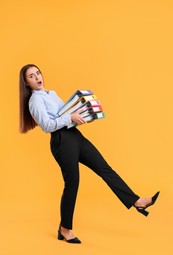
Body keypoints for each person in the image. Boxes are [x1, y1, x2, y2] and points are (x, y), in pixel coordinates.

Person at [19, 64, 160, 244]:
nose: (37, 77)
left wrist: (83, 114)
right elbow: (47, 126)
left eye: (38, 73)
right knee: (73, 183)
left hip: (74, 136)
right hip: (62, 141)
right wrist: (69, 117)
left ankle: (137, 201)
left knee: (104, 168)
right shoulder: (35, 101)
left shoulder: (50, 94)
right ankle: (65, 228)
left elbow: (66, 114)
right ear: (26, 82)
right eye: (31, 76)